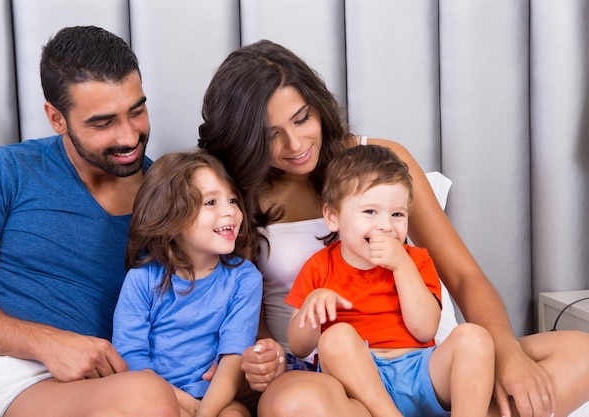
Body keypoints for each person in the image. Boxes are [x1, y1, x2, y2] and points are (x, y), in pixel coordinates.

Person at [197, 39, 589, 417]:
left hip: (418, 363)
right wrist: (265, 357)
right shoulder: (235, 195)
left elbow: (462, 275)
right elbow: (249, 314)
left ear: (317, 106)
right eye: (271, 136)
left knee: (582, 354)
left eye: (302, 119)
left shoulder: (382, 162)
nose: (296, 143)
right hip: (325, 376)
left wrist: (507, 353)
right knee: (292, 404)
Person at [0, 26, 181, 417]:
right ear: (56, 118)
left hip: (54, 390)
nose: (130, 136)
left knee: (147, 399)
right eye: (103, 123)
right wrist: (43, 342)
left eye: (137, 110)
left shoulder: (171, 201)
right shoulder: (5, 170)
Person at [285, 145, 494, 417]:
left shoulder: (416, 260)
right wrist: (311, 310)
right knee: (335, 338)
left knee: (475, 337)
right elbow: (299, 348)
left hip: (420, 372)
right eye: (370, 212)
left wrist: (401, 266)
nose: (386, 225)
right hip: (359, 387)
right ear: (332, 217)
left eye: (397, 214)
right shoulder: (319, 266)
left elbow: (425, 329)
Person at [113, 150, 263, 417]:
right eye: (210, 203)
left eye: (231, 199)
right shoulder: (142, 278)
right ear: (171, 220)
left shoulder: (245, 278)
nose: (229, 211)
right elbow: (131, 359)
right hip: (152, 396)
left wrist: (204, 412)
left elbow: (233, 357)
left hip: (215, 397)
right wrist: (187, 406)